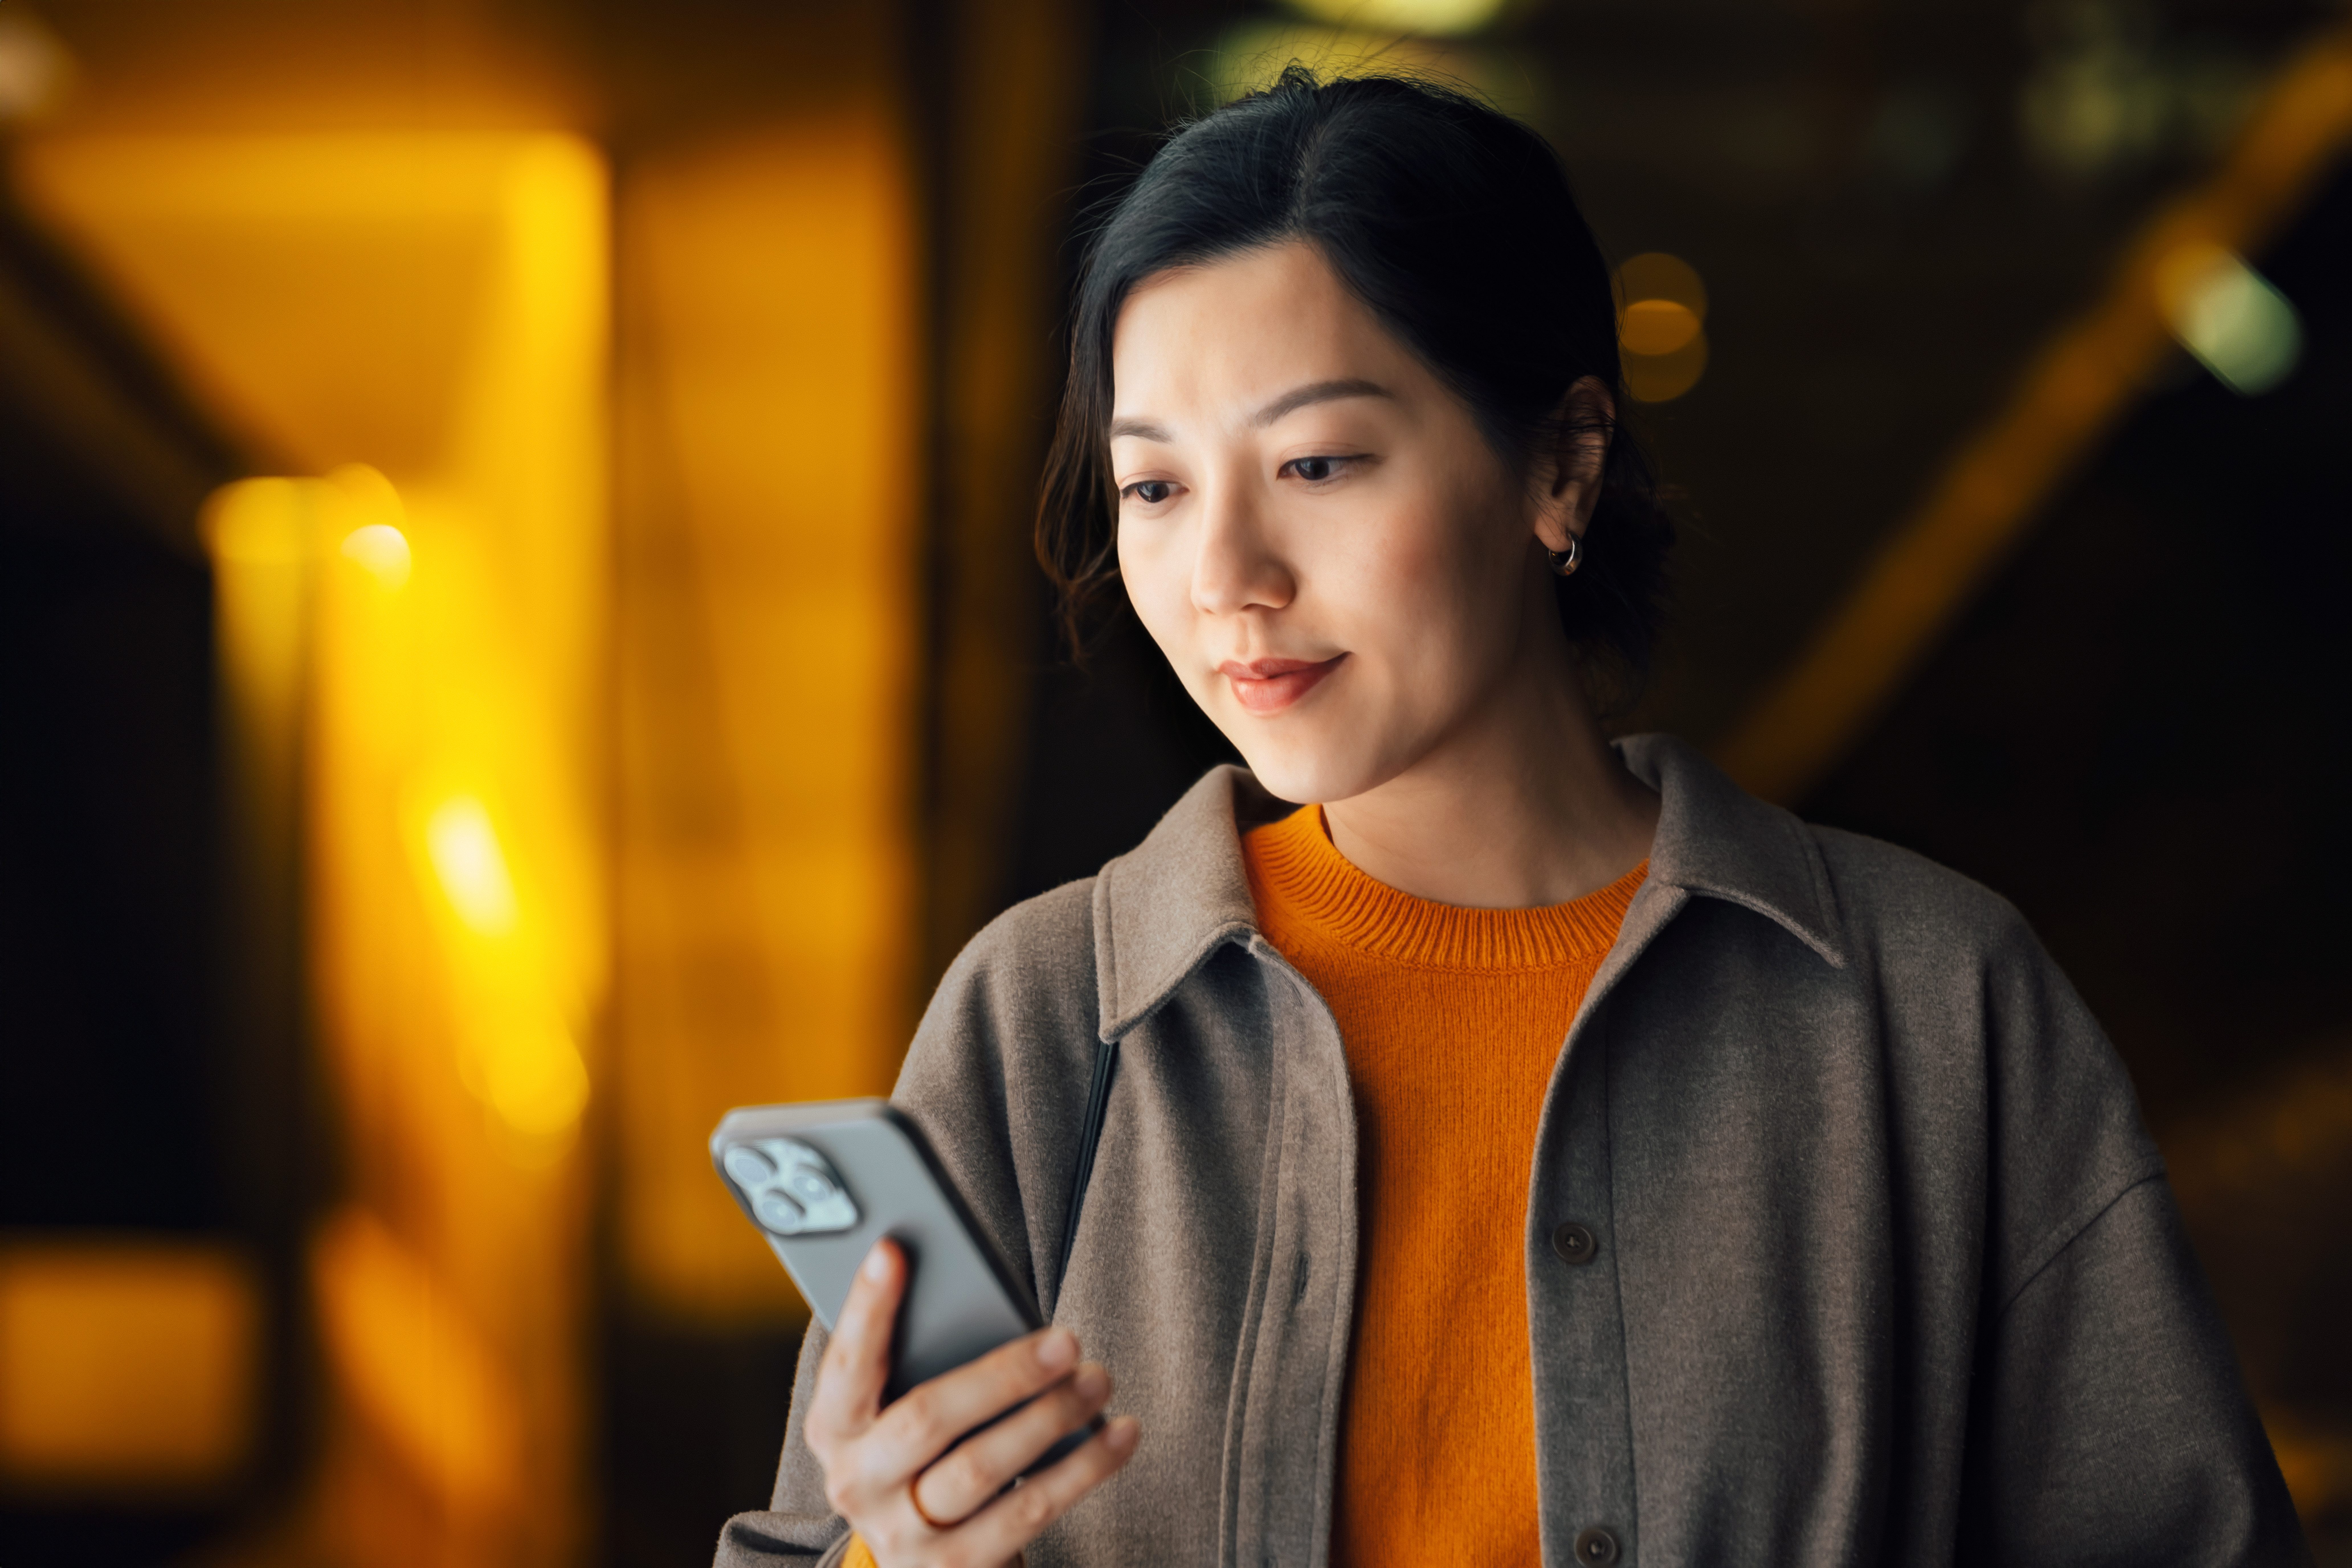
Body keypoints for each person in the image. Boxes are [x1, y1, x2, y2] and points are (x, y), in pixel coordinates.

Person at [714, 68, 2304, 1568]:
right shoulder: (1050, 1020)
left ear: (1561, 465)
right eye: (1155, 489)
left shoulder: (1933, 1010)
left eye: (1319, 461)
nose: (1225, 582)